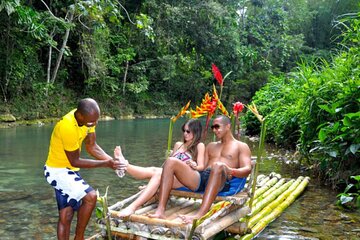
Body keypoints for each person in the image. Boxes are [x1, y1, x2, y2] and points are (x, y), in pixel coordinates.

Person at [43, 98, 125, 240]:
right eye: (91, 122)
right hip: (57, 171)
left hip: (70, 170)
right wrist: (107, 164)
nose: (93, 124)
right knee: (90, 197)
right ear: (80, 115)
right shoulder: (67, 126)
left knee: (66, 214)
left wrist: (113, 162)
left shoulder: (88, 119)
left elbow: (92, 146)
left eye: (96, 121)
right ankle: (79, 237)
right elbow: (75, 160)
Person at [148, 115, 252, 223]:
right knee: (171, 161)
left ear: (228, 126)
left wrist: (230, 170)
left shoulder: (241, 146)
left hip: (221, 180)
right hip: (202, 178)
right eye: (213, 127)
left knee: (218, 166)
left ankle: (200, 214)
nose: (214, 130)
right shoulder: (211, 146)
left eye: (217, 127)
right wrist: (192, 165)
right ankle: (160, 211)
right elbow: (201, 167)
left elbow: (247, 169)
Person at [115, 118, 206, 218]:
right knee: (155, 171)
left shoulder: (199, 146)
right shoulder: (179, 145)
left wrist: (194, 164)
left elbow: (201, 167)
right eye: (184, 130)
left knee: (157, 173)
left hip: (187, 179)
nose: (185, 133)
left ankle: (132, 205)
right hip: (172, 178)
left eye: (188, 131)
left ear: (195, 132)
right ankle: (125, 165)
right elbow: (169, 167)